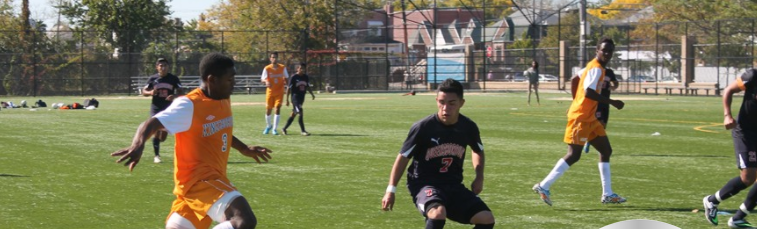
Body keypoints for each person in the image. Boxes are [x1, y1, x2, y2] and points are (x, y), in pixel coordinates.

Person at [111, 53, 272, 229]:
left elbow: (218, 129)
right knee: (243, 220)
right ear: (212, 80)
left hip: (194, 188)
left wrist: (244, 148)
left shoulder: (222, 98)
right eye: (230, 79)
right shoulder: (189, 105)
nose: (233, 83)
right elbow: (152, 122)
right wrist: (138, 144)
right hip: (200, 182)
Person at [381, 78, 496, 229]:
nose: (445, 108)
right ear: (436, 101)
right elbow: (403, 157)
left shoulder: (468, 127)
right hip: (424, 185)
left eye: (451, 103)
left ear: (461, 103)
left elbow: (478, 150)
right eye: (441, 102)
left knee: (486, 218)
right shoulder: (423, 127)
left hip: (453, 185)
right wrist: (391, 189)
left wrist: (479, 177)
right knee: (437, 213)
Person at [532, 38, 626, 206]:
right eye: (604, 50)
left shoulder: (594, 67)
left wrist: (577, 99)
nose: (606, 54)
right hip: (581, 118)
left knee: (606, 150)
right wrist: (612, 102)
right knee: (574, 154)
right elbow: (589, 91)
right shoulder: (596, 69)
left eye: (609, 51)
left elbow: (575, 79)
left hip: (590, 118)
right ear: (597, 50)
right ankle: (543, 186)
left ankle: (608, 194)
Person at [702, 69, 757, 228]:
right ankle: (712, 201)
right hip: (745, 133)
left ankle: (738, 218)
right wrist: (727, 115)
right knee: (748, 177)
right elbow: (729, 90)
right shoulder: (753, 76)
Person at [142, 57, 184, 163]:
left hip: (169, 109)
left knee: (163, 136)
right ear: (157, 67)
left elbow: (181, 92)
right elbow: (144, 91)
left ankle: (157, 141)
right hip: (156, 108)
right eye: (161, 66)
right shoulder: (152, 79)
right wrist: (150, 92)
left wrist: (174, 96)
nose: (163, 68)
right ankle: (157, 156)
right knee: (156, 130)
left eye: (165, 65)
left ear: (168, 67)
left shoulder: (173, 79)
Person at [582, 68, 619, 153]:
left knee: (604, 125)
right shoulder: (595, 71)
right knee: (599, 122)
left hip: (606, 101)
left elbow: (615, 82)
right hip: (596, 101)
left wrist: (613, 87)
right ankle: (595, 144)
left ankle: (591, 140)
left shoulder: (609, 72)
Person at [282, 63, 315, 136]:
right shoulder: (294, 77)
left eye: (303, 68)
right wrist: (287, 99)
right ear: (297, 69)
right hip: (295, 98)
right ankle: (303, 131)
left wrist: (312, 94)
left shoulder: (306, 77)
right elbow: (288, 88)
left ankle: (284, 128)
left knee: (293, 114)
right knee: (300, 111)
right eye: (300, 68)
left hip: (301, 98)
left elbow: (308, 86)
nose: (302, 70)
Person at [261, 52, 289, 135]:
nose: (274, 59)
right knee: (268, 109)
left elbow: (286, 77)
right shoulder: (267, 68)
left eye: (276, 57)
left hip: (279, 92)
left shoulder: (282, 68)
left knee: (277, 108)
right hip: (270, 92)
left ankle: (274, 129)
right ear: (270, 59)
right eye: (273, 57)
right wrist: (266, 81)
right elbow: (262, 79)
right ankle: (269, 126)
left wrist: (288, 86)